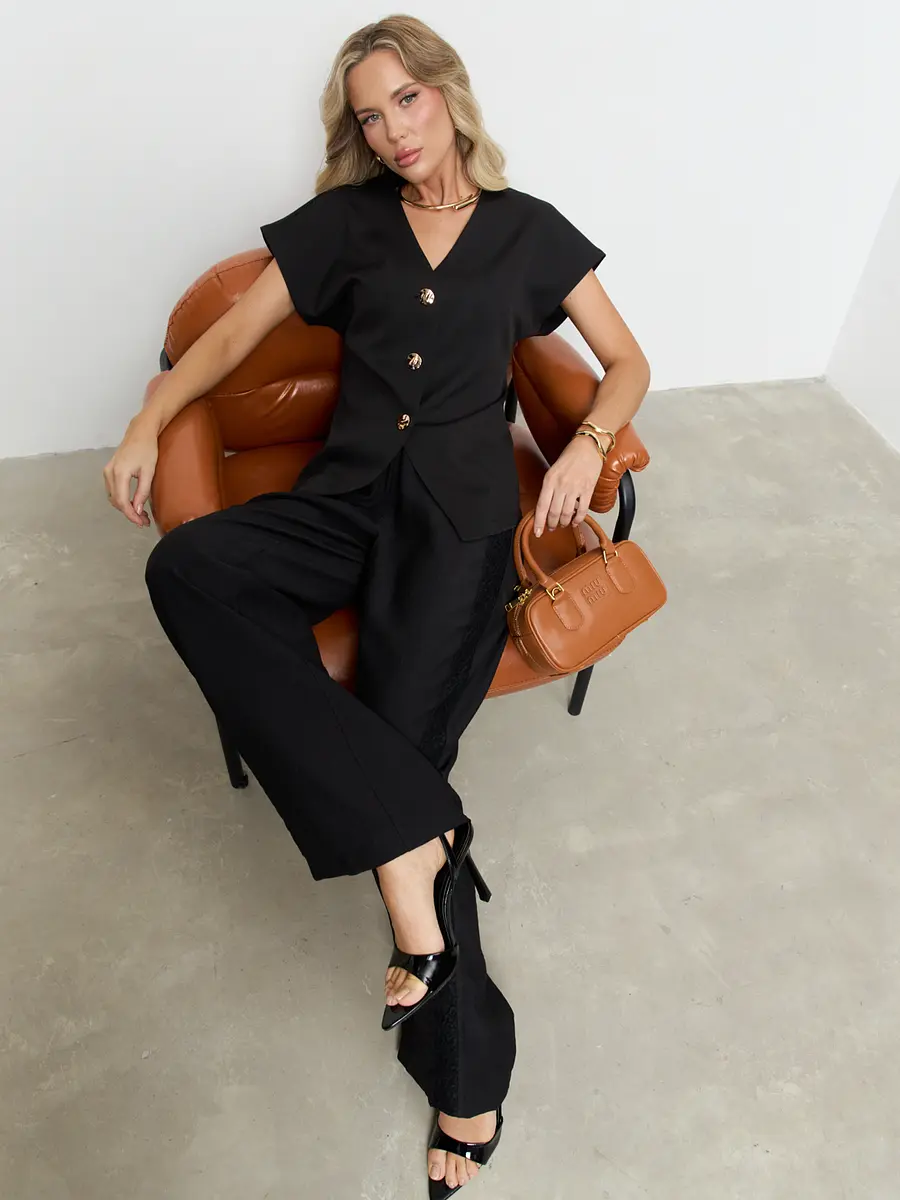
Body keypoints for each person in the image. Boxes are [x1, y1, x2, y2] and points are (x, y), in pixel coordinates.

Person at [103, 14, 650, 1196]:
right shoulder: (345, 225)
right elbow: (222, 342)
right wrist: (148, 421)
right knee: (187, 569)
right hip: (343, 499)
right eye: (370, 114)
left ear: (447, 92)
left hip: (456, 530)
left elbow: (628, 361)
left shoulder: (527, 231)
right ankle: (421, 852)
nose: (394, 130)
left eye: (407, 99)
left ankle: (468, 1076)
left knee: (399, 751)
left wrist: (586, 445)